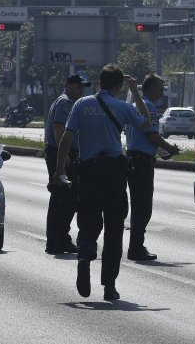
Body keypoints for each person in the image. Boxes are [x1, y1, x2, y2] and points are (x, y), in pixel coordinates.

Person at [53, 64, 150, 301]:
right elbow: (146, 122)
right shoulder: (122, 106)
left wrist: (58, 170)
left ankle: (85, 256)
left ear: (99, 83)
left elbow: (66, 138)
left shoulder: (81, 105)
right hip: (115, 173)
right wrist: (135, 90)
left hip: (88, 171)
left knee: (88, 220)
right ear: (118, 86)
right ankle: (109, 286)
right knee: (114, 229)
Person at [124, 73, 180, 261]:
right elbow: (151, 135)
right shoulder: (148, 106)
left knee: (138, 205)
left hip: (133, 157)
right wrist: (170, 147)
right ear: (149, 88)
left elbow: (142, 138)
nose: (162, 91)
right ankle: (136, 247)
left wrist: (161, 151)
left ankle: (136, 245)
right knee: (143, 207)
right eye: (159, 87)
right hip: (141, 162)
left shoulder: (135, 105)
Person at [43, 70, 91, 254]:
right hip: (62, 153)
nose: (81, 90)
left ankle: (56, 240)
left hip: (63, 153)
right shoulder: (65, 102)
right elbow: (58, 129)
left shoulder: (70, 102)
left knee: (61, 199)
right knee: (65, 199)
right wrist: (64, 159)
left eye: (83, 88)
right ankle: (59, 239)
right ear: (69, 85)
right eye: (79, 86)